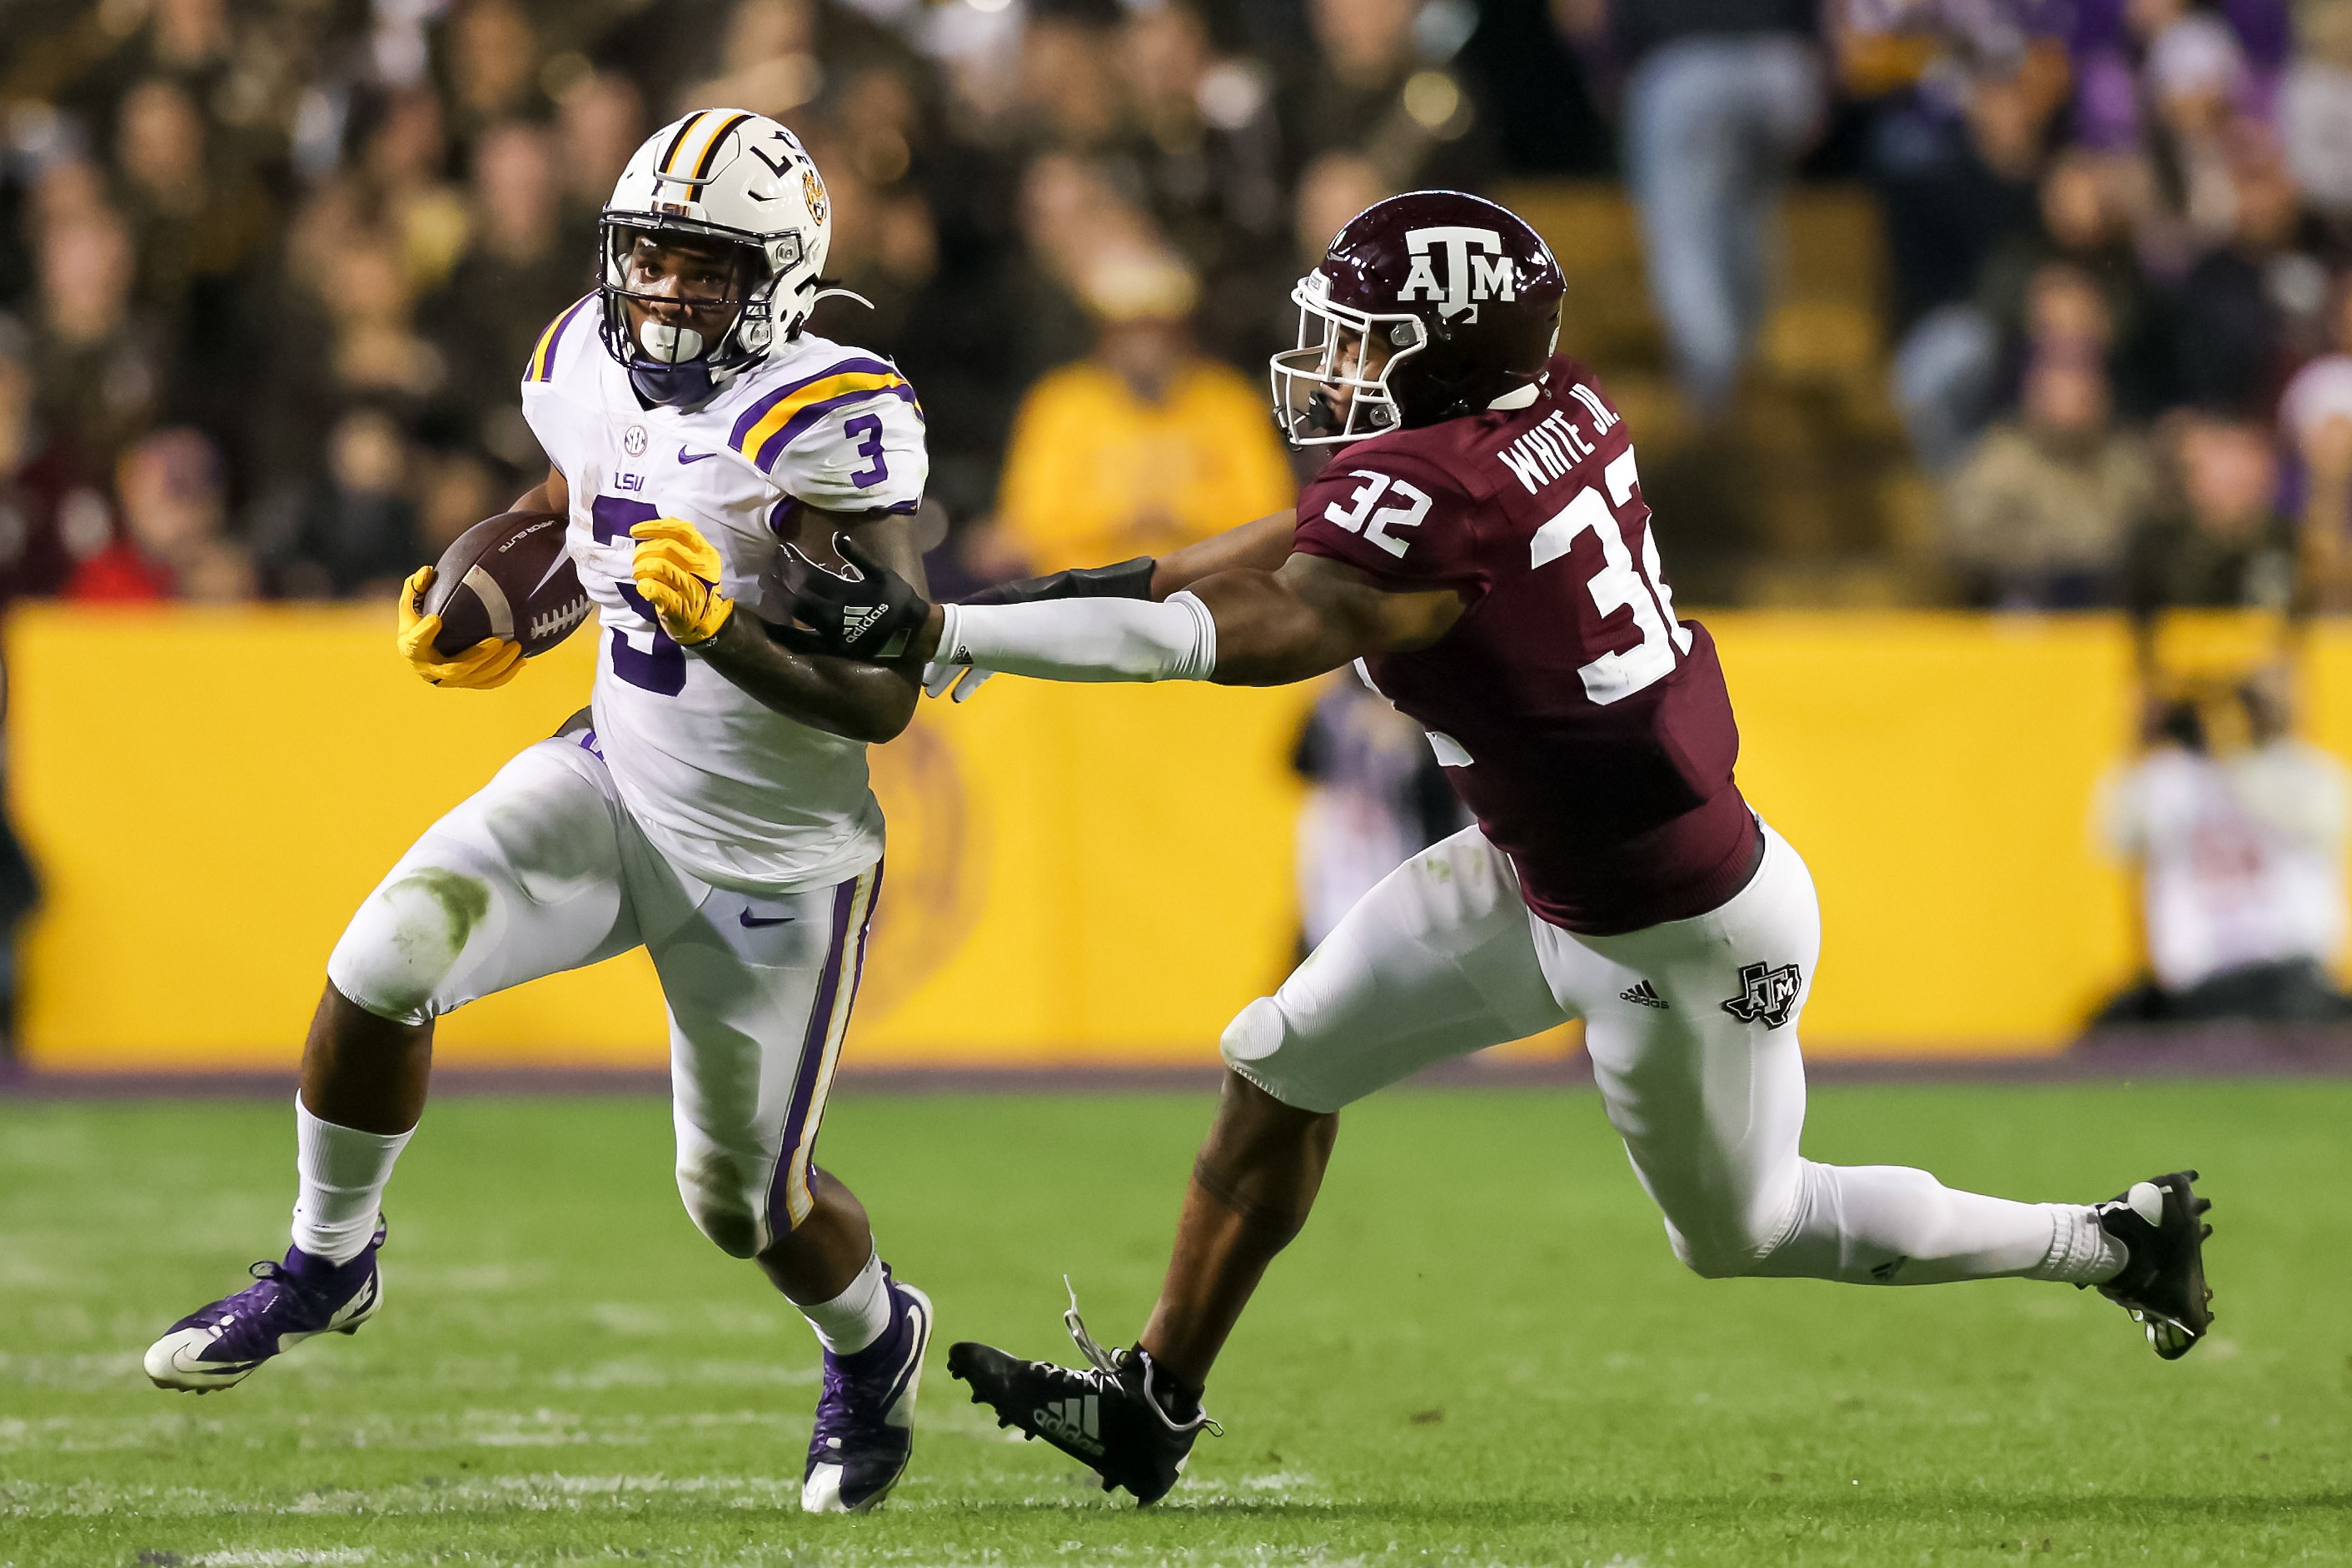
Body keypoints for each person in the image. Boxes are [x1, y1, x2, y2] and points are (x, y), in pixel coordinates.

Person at [788, 191, 2219, 1504]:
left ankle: (2109, 1239)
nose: (1337, 360)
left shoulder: (1453, 498)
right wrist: (1058, 590)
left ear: (1452, 353)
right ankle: (1154, 1405)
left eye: (1371, 338)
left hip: (1678, 933)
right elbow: (1304, 534)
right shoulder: (1549, 407)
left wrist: (957, 629)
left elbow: (1257, 630)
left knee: (1745, 1229)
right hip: (1540, 870)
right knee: (1281, 1055)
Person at [143, 111, 936, 1517]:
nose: (669, 291)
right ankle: (330, 1262)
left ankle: (874, 1350)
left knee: (744, 1207)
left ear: (784, 275)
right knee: (383, 958)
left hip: (777, 858)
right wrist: (501, 596)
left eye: (708, 267)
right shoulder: (582, 349)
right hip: (611, 779)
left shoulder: (833, 419)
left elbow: (880, 700)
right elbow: (577, 503)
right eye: (653, 258)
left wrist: (729, 636)